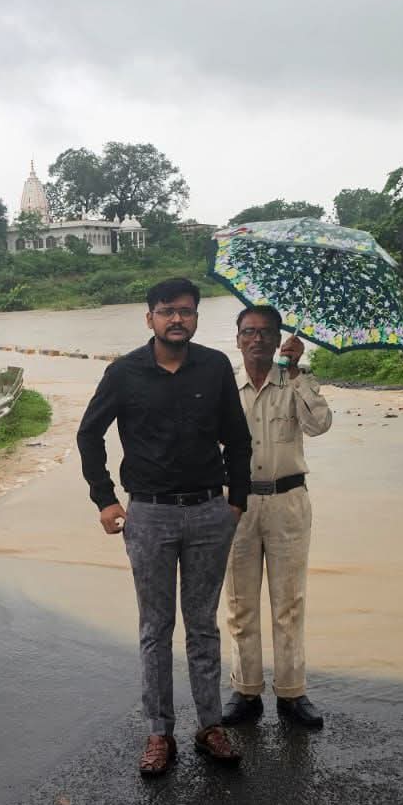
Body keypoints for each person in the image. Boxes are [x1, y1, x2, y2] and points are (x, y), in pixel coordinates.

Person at [77, 277, 252, 777]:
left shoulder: (215, 368)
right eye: (167, 310)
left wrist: (236, 502)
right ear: (150, 317)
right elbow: (89, 434)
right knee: (155, 627)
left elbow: (239, 440)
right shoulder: (124, 372)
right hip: (149, 514)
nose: (177, 318)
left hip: (208, 512)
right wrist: (105, 499)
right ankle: (159, 732)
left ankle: (210, 726)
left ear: (196, 317)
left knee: (203, 625)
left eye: (186, 311)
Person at [220, 306, 333, 730]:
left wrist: (298, 372)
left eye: (266, 332)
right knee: (239, 603)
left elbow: (320, 425)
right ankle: (246, 690)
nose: (257, 339)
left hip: (288, 501)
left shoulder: (296, 381)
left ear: (278, 339)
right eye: (249, 332)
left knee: (289, 602)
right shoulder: (224, 386)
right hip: (237, 503)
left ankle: (291, 692)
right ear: (237, 339)